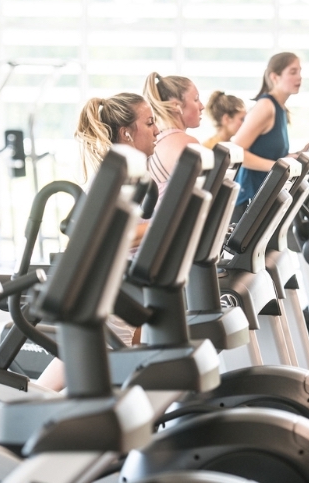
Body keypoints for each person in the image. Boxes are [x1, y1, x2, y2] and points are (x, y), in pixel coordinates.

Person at [36, 92, 159, 391]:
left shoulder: (131, 175)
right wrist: (165, 224)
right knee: (53, 387)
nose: (158, 130)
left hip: (127, 290)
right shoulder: (114, 178)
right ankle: (10, 422)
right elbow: (117, 236)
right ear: (127, 133)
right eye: (150, 122)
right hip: (106, 296)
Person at [231, 52, 303, 221]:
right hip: (248, 201)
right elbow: (237, 152)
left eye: (300, 71)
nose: (299, 77)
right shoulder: (266, 106)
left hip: (266, 196)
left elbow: (267, 152)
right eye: (293, 72)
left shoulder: (280, 109)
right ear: (275, 77)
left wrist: (288, 158)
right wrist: (278, 167)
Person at [143, 71, 205, 194]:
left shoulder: (157, 139)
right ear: (176, 106)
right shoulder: (188, 144)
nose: (202, 106)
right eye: (196, 99)